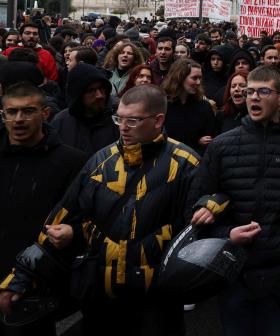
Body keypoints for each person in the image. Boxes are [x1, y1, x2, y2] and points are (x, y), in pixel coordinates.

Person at [0, 85, 201, 336]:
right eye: (119, 119)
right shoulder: (100, 160)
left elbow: (194, 232)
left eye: (133, 120)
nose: (123, 127)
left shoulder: (186, 163)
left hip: (156, 297)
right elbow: (62, 219)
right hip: (101, 292)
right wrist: (21, 278)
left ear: (158, 120)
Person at [189, 65, 280, 336]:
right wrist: (226, 234)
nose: (253, 98)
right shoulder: (222, 146)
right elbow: (196, 202)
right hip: (233, 267)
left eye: (263, 91)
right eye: (249, 92)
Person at [0, 82, 87, 336]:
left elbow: (85, 221)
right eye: (11, 112)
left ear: (45, 113)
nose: (18, 119)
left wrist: (73, 232)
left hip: (34, 287)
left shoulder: (71, 162)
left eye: (28, 111)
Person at [51, 63, 119, 155]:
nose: (100, 95)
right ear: (78, 95)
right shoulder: (60, 122)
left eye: (102, 88)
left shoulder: (118, 120)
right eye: (91, 91)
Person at [162, 59, 215, 155]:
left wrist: (200, 143)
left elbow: (210, 138)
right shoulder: (163, 105)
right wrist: (195, 141)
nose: (198, 82)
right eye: (194, 78)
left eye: (200, 78)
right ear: (180, 78)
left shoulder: (204, 106)